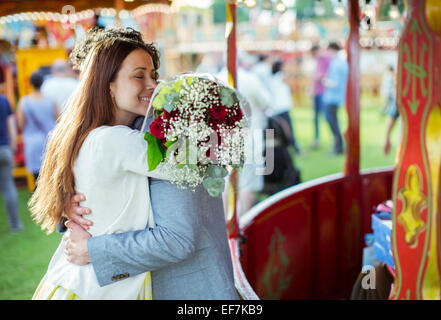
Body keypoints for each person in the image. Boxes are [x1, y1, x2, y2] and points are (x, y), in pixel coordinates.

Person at [32, 27, 238, 300]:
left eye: (153, 75)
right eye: (138, 76)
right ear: (108, 84)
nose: (154, 84)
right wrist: (204, 118)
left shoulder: (88, 135)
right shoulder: (115, 139)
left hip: (84, 281)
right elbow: (183, 165)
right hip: (94, 288)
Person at [217, 51, 271, 215]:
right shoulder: (250, 79)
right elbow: (267, 102)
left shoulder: (214, 79)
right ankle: (242, 222)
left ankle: (227, 224)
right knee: (248, 184)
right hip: (249, 139)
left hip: (221, 140)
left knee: (225, 183)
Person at [16, 72, 57, 182]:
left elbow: (21, 123)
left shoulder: (24, 102)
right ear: (42, 83)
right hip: (49, 140)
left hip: (32, 141)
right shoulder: (51, 101)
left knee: (37, 179)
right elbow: (58, 120)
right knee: (51, 176)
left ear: (31, 83)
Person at [269, 59, 301, 155]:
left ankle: (290, 147)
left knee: (284, 129)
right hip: (282, 107)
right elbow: (290, 79)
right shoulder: (280, 76)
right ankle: (294, 147)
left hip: (279, 107)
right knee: (288, 129)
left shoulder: (273, 78)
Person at [0, 93, 22, 232]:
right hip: (4, 149)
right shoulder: (3, 100)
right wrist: (13, 147)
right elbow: (11, 125)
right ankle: (15, 225)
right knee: (8, 188)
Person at [322, 42, 349, 155]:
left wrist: (324, 81)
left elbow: (336, 83)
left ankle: (338, 146)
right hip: (336, 97)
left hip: (333, 97)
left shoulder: (337, 63)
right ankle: (338, 145)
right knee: (334, 122)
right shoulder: (340, 62)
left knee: (333, 123)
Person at [310, 44, 331, 149]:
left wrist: (318, 77)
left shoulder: (326, 58)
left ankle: (335, 139)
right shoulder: (318, 61)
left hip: (324, 92)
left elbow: (328, 74)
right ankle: (316, 139)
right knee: (315, 118)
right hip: (317, 92)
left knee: (327, 117)